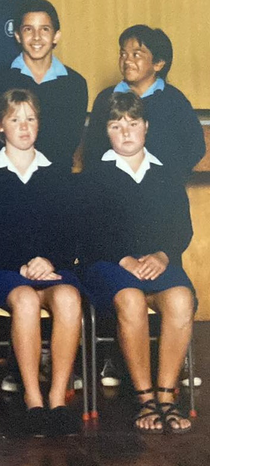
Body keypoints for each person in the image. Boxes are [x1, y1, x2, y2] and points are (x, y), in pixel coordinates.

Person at [0, 89, 83, 437]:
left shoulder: (57, 172)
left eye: (30, 118)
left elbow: (71, 232)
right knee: (27, 300)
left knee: (68, 298)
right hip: (3, 273)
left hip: (50, 268)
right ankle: (32, 398)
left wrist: (49, 260)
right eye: (15, 119)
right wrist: (20, 268)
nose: (24, 126)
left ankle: (58, 397)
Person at [80, 92, 195, 435]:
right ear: (107, 132)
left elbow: (181, 227)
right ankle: (144, 397)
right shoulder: (93, 175)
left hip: (157, 262)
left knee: (180, 298)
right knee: (129, 297)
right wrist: (124, 259)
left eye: (133, 124)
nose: (126, 132)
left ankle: (166, 395)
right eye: (116, 126)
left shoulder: (166, 173)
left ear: (145, 127)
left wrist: (163, 255)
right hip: (109, 264)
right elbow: (86, 232)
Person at [82, 25, 205, 183]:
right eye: (123, 54)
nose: (127, 60)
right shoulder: (106, 99)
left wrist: (169, 178)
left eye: (136, 55)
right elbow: (93, 150)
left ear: (158, 64)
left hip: (161, 188)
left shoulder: (174, 99)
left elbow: (195, 146)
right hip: (115, 186)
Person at [0, 0, 88, 169]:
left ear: (56, 36)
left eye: (44, 29)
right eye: (28, 29)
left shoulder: (74, 84)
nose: (36, 37)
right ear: (18, 35)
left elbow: (71, 140)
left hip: (57, 176)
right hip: (11, 174)